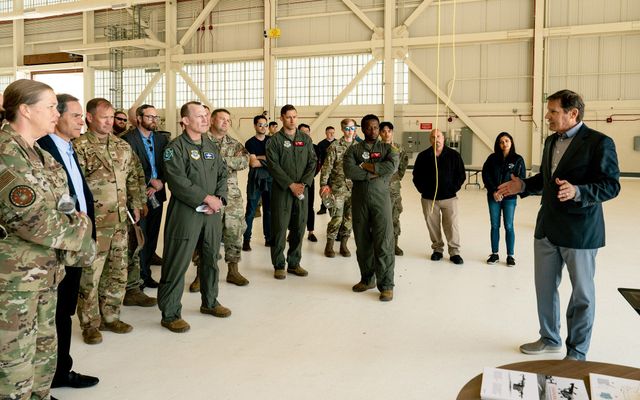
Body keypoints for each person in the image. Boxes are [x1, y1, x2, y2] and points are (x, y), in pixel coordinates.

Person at [497, 89, 620, 361]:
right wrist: (524, 186)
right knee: (544, 288)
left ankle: (576, 352)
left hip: (580, 232)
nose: (547, 116)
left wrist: (579, 192)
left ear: (572, 113)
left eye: (553, 111)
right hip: (548, 229)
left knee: (582, 295)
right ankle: (549, 338)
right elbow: (548, 179)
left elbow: (612, 185)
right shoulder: (551, 141)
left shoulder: (599, 142)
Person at [0, 79, 93, 400]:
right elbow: (33, 221)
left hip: (45, 274)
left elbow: (65, 201)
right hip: (14, 283)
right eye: (51, 106)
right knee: (14, 366)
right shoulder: (6, 153)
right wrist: (80, 230)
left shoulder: (40, 153)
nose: (57, 112)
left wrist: (73, 221)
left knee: (43, 354)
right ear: (25, 110)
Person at [37, 93, 100, 390]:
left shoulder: (69, 148)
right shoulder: (43, 148)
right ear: (57, 117)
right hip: (57, 245)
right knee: (53, 313)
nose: (81, 120)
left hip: (75, 240)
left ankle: (61, 370)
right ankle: (49, 376)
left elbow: (79, 194)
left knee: (64, 311)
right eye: (76, 115)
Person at [74, 97, 146, 344]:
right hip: (94, 224)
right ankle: (90, 323)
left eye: (111, 116)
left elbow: (135, 175)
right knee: (90, 276)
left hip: (119, 222)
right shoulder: (79, 148)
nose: (108, 121)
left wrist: (137, 203)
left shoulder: (122, 146)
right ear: (90, 117)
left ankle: (111, 316)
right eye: (103, 117)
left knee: (117, 271)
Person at [157, 101, 230, 333]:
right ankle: (170, 313)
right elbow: (177, 181)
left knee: (211, 259)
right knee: (177, 262)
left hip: (211, 214)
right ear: (185, 121)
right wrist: (205, 198)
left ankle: (210, 302)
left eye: (206, 115)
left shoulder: (210, 145)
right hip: (186, 213)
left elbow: (222, 173)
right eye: (199, 116)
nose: (205, 119)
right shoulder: (174, 148)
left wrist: (219, 198)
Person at [189, 108, 250, 290]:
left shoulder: (234, 143)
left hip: (231, 197)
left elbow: (245, 161)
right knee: (205, 235)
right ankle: (201, 274)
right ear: (212, 120)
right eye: (222, 119)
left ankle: (233, 270)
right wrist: (226, 161)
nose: (226, 123)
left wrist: (218, 160)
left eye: (228, 120)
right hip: (207, 195)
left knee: (234, 231)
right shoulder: (201, 141)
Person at [343, 114, 399, 302]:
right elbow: (350, 171)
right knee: (362, 242)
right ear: (363, 129)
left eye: (376, 127)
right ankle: (367, 279)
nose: (373, 131)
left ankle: (386, 285)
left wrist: (365, 166)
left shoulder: (387, 148)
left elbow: (391, 167)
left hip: (380, 200)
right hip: (359, 201)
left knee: (384, 242)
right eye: (369, 127)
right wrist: (374, 172)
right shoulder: (353, 150)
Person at [266, 105, 317, 280]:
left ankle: (294, 263)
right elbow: (273, 166)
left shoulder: (305, 139)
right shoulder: (274, 141)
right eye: (288, 117)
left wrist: (303, 184)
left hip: (302, 190)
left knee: (299, 227)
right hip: (282, 191)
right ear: (281, 118)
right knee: (279, 228)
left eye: (295, 117)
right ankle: (279, 264)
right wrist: (290, 184)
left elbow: (313, 162)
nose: (292, 120)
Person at [122, 104, 169, 288]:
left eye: (156, 117)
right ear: (139, 118)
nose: (153, 120)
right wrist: (149, 182)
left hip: (158, 194)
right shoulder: (127, 140)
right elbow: (129, 169)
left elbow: (169, 164)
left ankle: (146, 273)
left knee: (152, 236)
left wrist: (161, 182)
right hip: (139, 196)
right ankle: (136, 279)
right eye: (149, 117)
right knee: (139, 238)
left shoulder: (161, 139)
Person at [412, 128, 466, 265]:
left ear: (444, 138)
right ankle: (437, 249)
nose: (436, 139)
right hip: (429, 198)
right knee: (432, 225)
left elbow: (461, 175)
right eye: (433, 137)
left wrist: (453, 188)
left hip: (449, 198)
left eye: (439, 136)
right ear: (430, 140)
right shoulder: (423, 156)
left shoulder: (453, 155)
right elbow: (416, 176)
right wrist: (423, 190)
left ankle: (454, 252)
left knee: (452, 225)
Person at [481, 132, 526, 266]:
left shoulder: (518, 159)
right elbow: (486, 175)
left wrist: (507, 192)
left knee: (509, 226)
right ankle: (494, 254)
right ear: (498, 144)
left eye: (507, 141)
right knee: (495, 225)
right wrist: (494, 191)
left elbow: (521, 179)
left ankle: (510, 256)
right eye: (501, 141)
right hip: (493, 197)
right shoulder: (492, 158)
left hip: (509, 198)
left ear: (511, 142)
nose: (504, 143)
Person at [319, 119, 355, 258]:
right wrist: (324, 185)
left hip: (355, 189)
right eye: (347, 128)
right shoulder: (335, 146)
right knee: (337, 218)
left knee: (349, 218)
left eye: (352, 128)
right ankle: (329, 245)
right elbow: (326, 168)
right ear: (342, 129)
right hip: (337, 188)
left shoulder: (359, 146)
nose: (350, 131)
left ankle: (344, 245)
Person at [243, 114, 273, 251]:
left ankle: (268, 238)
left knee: (268, 211)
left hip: (270, 180)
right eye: (260, 124)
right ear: (255, 126)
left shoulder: (272, 141)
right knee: (250, 211)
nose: (263, 127)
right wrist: (267, 159)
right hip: (255, 179)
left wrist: (259, 158)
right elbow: (253, 164)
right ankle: (246, 240)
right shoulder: (250, 143)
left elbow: (276, 161)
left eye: (265, 125)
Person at [379, 121, 409, 256]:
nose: (386, 134)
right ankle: (379, 244)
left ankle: (394, 244)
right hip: (378, 188)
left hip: (394, 189)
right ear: (380, 133)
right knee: (378, 217)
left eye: (389, 131)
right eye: (384, 131)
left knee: (394, 216)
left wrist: (395, 179)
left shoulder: (399, 148)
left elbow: (403, 166)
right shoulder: (375, 148)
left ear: (392, 132)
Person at [298, 123, 319, 242]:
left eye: (307, 131)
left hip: (309, 181)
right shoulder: (294, 146)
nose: (306, 134)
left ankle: (311, 232)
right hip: (295, 182)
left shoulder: (315, 147)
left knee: (309, 206)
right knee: (295, 207)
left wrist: (307, 179)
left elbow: (317, 165)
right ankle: (292, 232)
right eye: (303, 132)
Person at [316, 126, 337, 215]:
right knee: (325, 188)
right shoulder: (321, 144)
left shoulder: (337, 143)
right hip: (325, 170)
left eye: (333, 132)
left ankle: (335, 206)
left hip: (335, 170)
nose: (331, 134)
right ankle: (323, 207)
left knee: (335, 188)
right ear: (326, 133)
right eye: (329, 132)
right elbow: (318, 158)